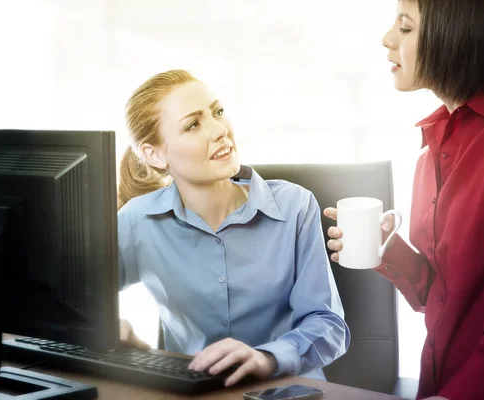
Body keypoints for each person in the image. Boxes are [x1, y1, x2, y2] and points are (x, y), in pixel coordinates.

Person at [324, 1, 484, 399]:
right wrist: (385, 251)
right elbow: (448, 299)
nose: (387, 40)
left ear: (457, 35)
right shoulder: (438, 137)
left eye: (407, 28)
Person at [116, 69, 350, 387]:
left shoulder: (295, 205)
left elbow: (328, 325)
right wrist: (102, 327)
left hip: (286, 389)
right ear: (154, 154)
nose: (220, 130)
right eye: (193, 124)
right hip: (193, 391)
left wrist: (267, 358)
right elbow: (65, 303)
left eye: (218, 112)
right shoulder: (137, 221)